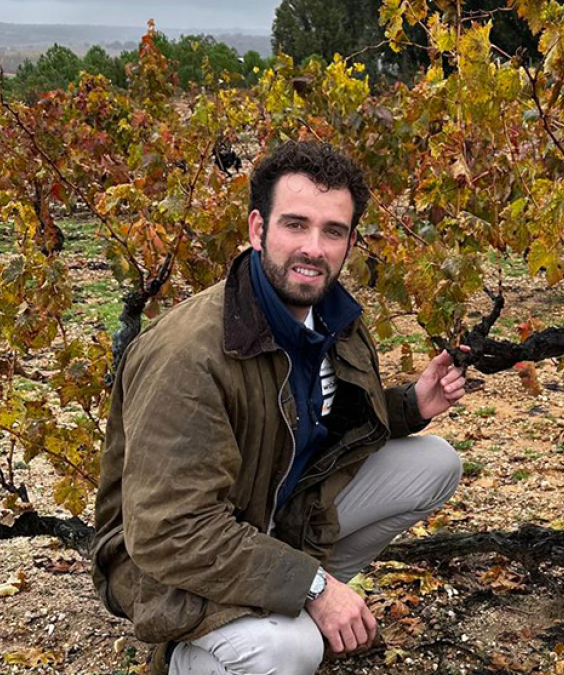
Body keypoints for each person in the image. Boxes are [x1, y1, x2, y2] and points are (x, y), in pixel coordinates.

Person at [91, 141, 466, 675]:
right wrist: (315, 587)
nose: (313, 248)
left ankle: (292, 602)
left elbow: (313, 423)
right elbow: (169, 530)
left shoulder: (332, 317)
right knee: (287, 650)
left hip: (270, 513)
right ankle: (192, 658)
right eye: (295, 225)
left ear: (350, 242)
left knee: (433, 463)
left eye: (332, 231)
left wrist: (411, 405)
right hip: (163, 560)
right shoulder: (188, 353)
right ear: (257, 229)